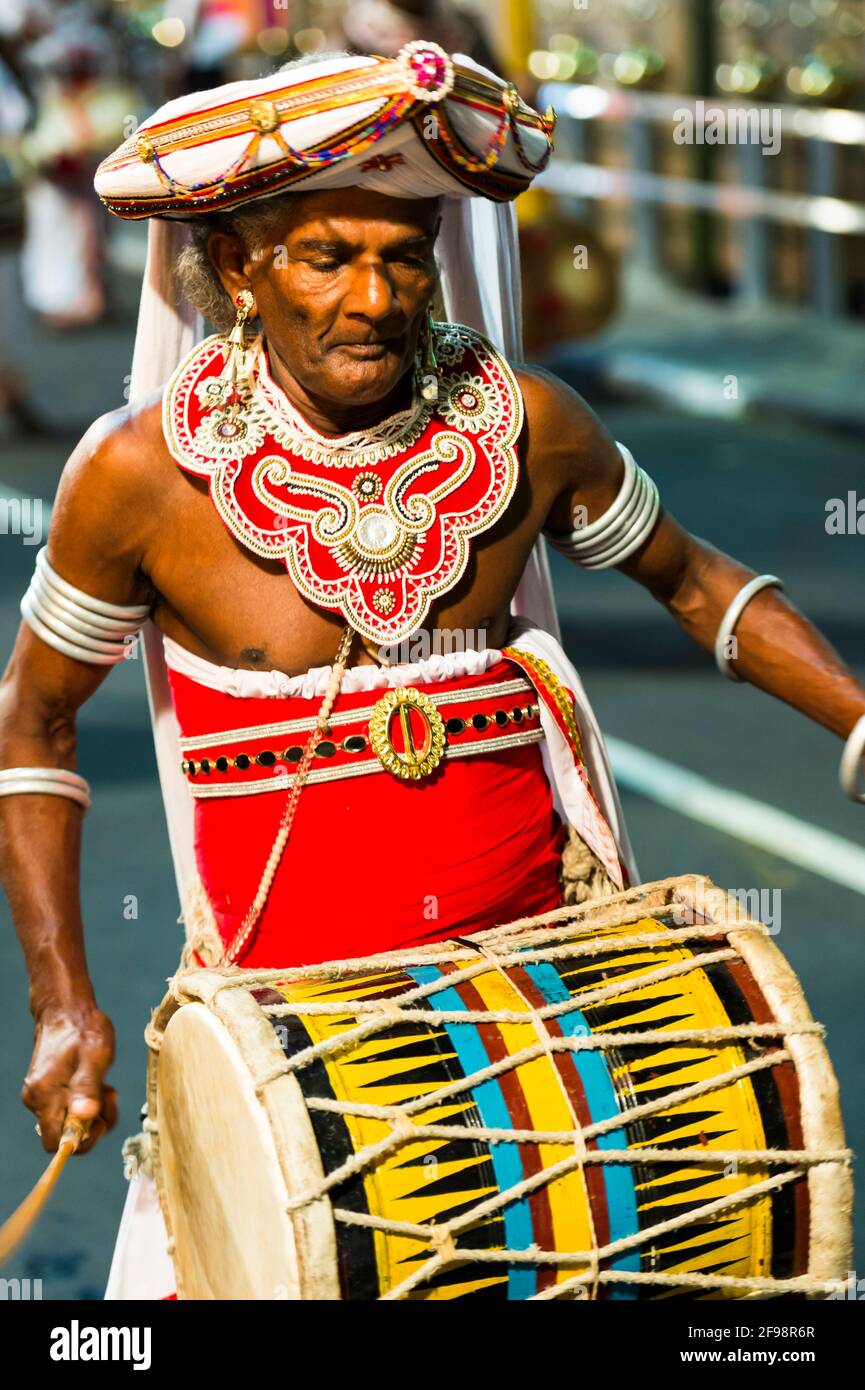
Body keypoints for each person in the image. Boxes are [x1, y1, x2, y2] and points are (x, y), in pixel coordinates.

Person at [1, 43, 863, 1300]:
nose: (373, 299)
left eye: (404, 257)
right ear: (239, 268)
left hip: (547, 1034)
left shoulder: (528, 426)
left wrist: (854, 718)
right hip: (294, 1059)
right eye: (326, 257)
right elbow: (33, 723)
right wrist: (65, 1004)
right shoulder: (138, 478)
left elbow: (691, 582)